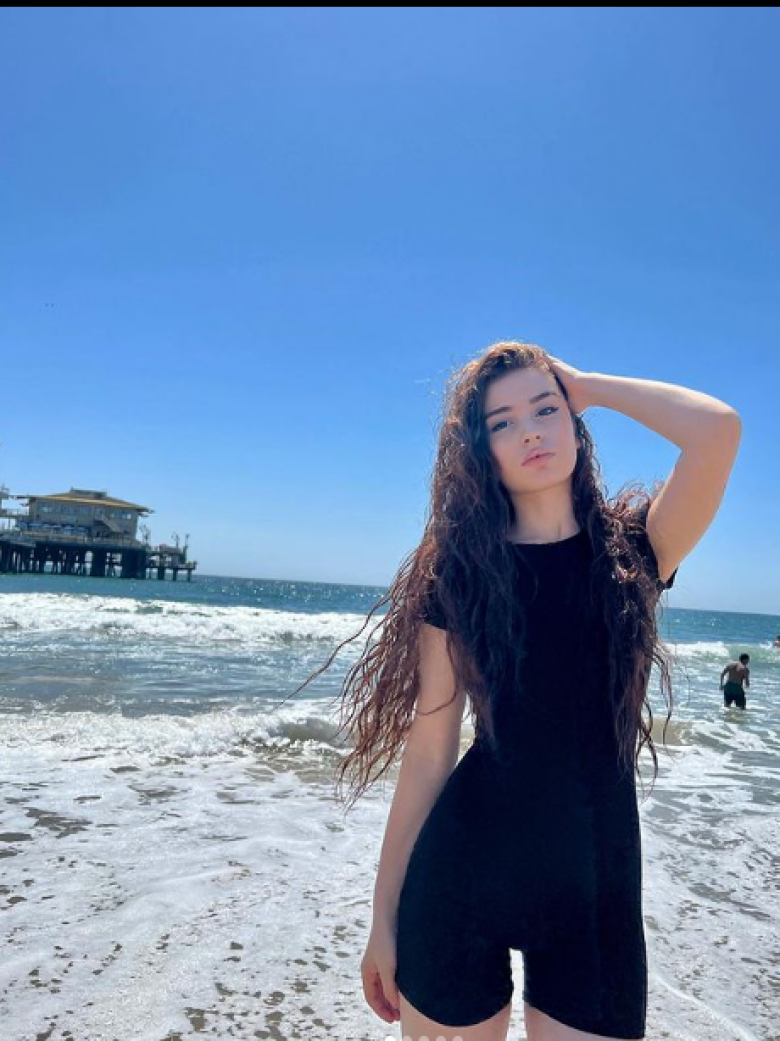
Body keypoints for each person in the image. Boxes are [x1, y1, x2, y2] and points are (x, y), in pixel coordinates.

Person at [295, 342, 741, 1041]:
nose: (530, 431)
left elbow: (717, 430)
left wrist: (589, 384)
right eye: (502, 422)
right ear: (482, 451)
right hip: (460, 879)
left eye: (546, 409)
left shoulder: (635, 551)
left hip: (596, 894)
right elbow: (429, 750)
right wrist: (383, 917)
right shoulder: (462, 574)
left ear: (576, 425)